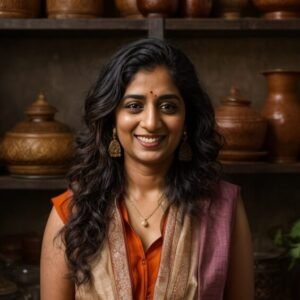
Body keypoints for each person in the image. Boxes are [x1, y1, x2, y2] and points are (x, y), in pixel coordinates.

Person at [40, 38, 254, 300]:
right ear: (112, 119)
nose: (151, 123)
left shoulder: (223, 207)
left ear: (187, 120)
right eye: (134, 106)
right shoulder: (72, 212)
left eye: (168, 106)